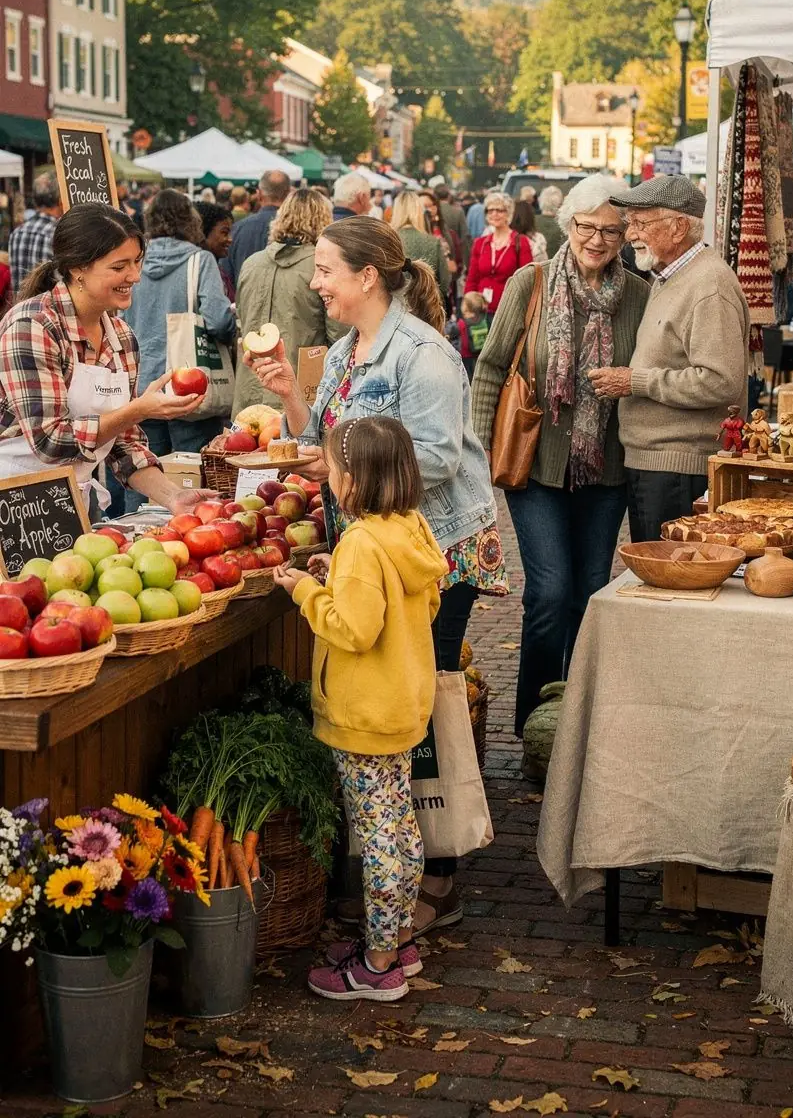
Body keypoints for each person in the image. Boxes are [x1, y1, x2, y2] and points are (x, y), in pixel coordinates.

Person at [246, 217, 505, 934]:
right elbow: (324, 442)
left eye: (325, 270)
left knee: (425, 701)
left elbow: (439, 459)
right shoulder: (343, 350)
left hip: (433, 548)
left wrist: (351, 476)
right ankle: (395, 869)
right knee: (402, 699)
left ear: (367, 277)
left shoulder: (423, 354)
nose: (315, 283)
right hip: (372, 545)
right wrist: (289, 398)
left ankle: (436, 877)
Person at [471, 175, 649, 750]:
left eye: (611, 231)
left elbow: (648, 375)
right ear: (567, 223)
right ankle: (534, 728)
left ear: (625, 235)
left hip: (606, 469)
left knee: (589, 592)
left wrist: (631, 382)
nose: (597, 240)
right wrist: (479, 448)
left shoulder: (641, 295)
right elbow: (491, 367)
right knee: (548, 593)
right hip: (536, 464)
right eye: (587, 227)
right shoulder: (531, 282)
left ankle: (575, 727)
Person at [275, 415, 447, 1001]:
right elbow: (415, 604)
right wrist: (338, 579)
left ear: (351, 480)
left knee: (376, 839)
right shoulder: (410, 530)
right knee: (400, 826)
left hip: (364, 714)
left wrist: (305, 591)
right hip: (402, 704)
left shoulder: (358, 543)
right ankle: (401, 938)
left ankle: (377, 964)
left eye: (332, 467)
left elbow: (354, 629)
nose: (329, 477)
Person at [0, 204, 217, 516]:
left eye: (137, 262)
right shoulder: (33, 326)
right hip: (15, 504)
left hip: (76, 500)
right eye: (119, 267)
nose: (135, 276)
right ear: (79, 268)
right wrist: (138, 409)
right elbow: (50, 440)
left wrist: (173, 496)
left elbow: (123, 444)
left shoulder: (122, 338)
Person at [589, 174, 750, 541]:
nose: (630, 234)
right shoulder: (670, 277)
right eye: (630, 222)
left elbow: (720, 381)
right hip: (659, 465)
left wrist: (634, 381)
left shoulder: (708, 283)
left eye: (640, 223)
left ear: (678, 228)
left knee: (671, 571)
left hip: (678, 469)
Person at [126, 189, 236, 484]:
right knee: (193, 476)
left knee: (143, 472)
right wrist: (232, 325)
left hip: (142, 384)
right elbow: (218, 320)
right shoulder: (200, 261)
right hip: (188, 385)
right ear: (191, 220)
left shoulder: (134, 262)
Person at [232, 188, 346, 417]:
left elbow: (242, 321)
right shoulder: (320, 268)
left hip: (249, 391)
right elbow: (339, 338)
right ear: (324, 220)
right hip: (299, 396)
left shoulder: (251, 264)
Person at [466, 189, 533, 319]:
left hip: (509, 311)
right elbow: (472, 278)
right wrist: (469, 303)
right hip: (481, 311)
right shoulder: (480, 243)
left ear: (508, 213)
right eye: (490, 210)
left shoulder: (520, 242)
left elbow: (527, 280)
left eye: (499, 210)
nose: (494, 214)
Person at [221, 170, 291, 293]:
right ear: (289, 194)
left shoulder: (238, 229)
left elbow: (226, 275)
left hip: (245, 300)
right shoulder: (299, 229)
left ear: (259, 194)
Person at [389, 191, 451, 304]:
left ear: (396, 211)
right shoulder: (433, 242)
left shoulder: (387, 240)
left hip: (393, 306)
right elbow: (445, 282)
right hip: (425, 307)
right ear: (418, 211)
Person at [9, 172, 62, 296]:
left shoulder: (16, 233)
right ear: (60, 200)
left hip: (20, 306)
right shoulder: (58, 234)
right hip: (49, 307)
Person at [194, 200, 234, 297]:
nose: (230, 239)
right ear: (203, 232)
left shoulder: (217, 270)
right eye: (224, 233)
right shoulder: (203, 272)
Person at [435, 185, 471, 265]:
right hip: (454, 254)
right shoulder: (458, 211)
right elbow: (464, 237)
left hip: (435, 253)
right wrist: (466, 262)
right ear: (449, 195)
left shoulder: (431, 211)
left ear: (435, 196)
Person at [456, 291, 489, 380]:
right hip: (479, 355)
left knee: (467, 378)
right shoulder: (484, 320)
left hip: (465, 358)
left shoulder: (462, 324)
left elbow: (450, 331)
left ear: (466, 308)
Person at [537, 186, 565, 258]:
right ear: (560, 204)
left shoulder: (530, 221)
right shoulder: (564, 225)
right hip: (555, 263)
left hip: (532, 264)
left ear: (540, 200)